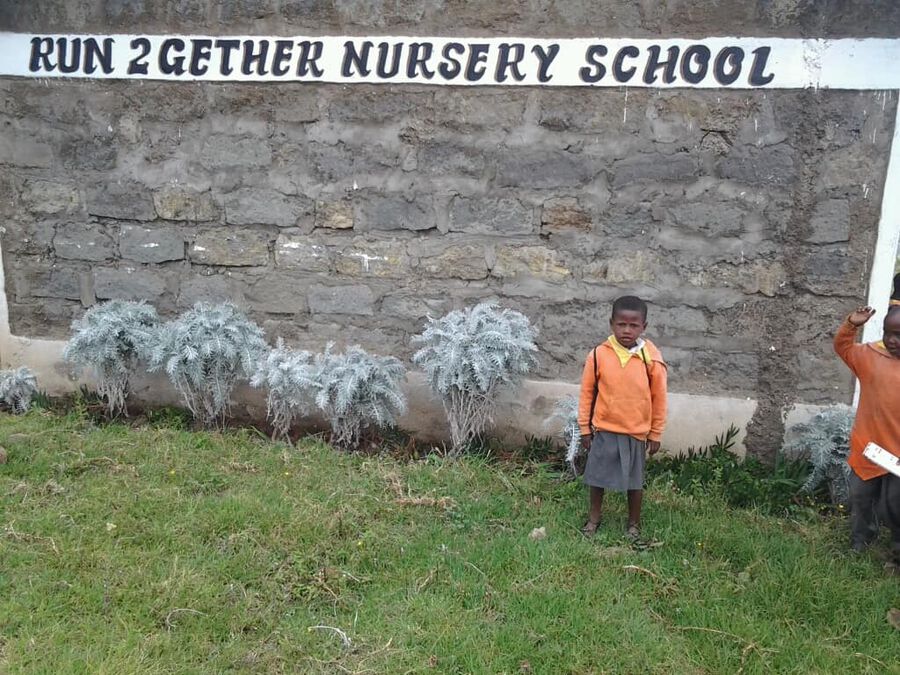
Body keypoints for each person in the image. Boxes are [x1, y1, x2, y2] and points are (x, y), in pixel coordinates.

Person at [577, 296, 667, 539]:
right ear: (611, 324)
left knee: (634, 483)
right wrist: (585, 428)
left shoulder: (651, 358)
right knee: (597, 478)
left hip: (635, 431)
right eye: (621, 324)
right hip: (604, 429)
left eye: (633, 325)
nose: (627, 330)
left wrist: (655, 432)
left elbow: (659, 398)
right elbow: (587, 393)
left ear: (644, 327)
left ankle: (633, 524)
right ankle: (594, 518)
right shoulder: (598, 355)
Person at [833, 304, 900, 563]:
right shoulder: (870, 357)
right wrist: (851, 324)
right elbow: (843, 347)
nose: (892, 340)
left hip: (897, 454)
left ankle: (897, 549)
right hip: (868, 448)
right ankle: (861, 540)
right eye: (887, 332)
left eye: (899, 335)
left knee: (895, 504)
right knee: (860, 497)